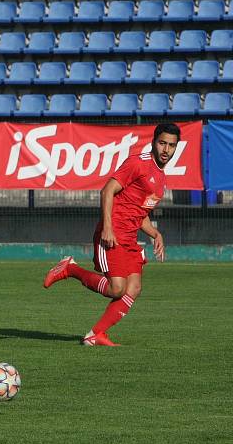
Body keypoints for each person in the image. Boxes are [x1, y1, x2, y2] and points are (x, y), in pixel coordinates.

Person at [43, 123, 180, 346]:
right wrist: (107, 227)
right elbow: (107, 190)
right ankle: (70, 268)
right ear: (154, 142)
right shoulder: (138, 163)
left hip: (130, 238)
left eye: (171, 145)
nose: (166, 149)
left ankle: (96, 334)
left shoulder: (161, 176)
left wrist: (155, 233)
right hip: (114, 233)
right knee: (117, 289)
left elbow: (139, 212)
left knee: (134, 288)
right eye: (162, 143)